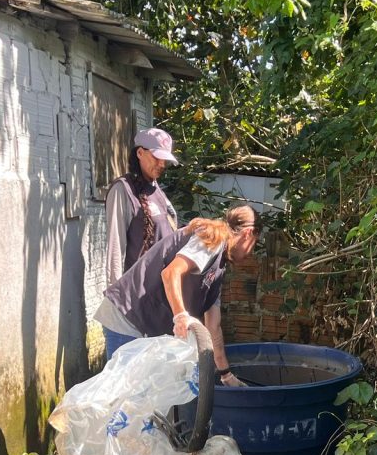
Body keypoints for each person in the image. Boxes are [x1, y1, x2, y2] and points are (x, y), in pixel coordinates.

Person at [94, 205, 261, 386]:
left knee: (141, 399)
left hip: (145, 322)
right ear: (248, 233)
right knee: (122, 396)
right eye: (255, 243)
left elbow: (213, 326)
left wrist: (226, 374)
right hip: (127, 315)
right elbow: (171, 273)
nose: (250, 254)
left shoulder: (219, 268)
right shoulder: (211, 239)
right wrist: (181, 316)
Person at [104, 127, 179, 289]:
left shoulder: (155, 188)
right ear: (140, 153)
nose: (162, 164)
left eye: (164, 160)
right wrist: (116, 293)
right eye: (157, 157)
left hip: (162, 290)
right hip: (137, 293)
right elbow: (115, 247)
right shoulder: (123, 189)